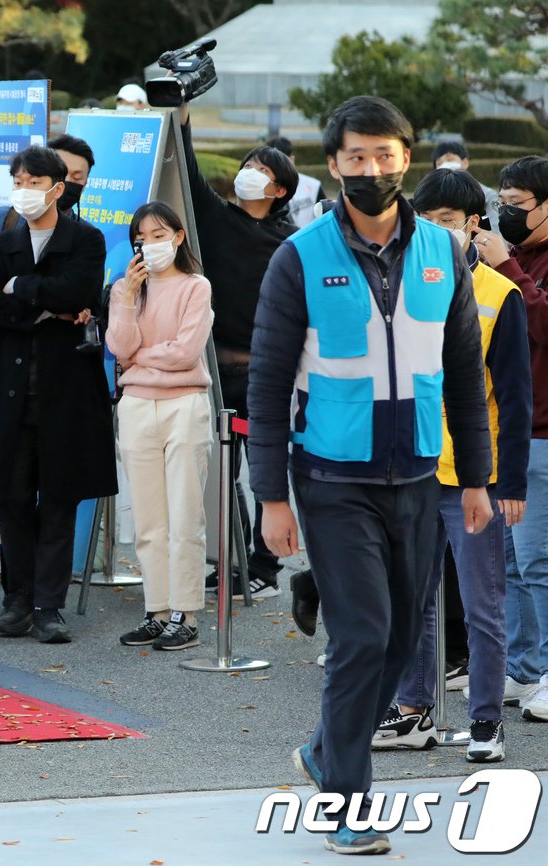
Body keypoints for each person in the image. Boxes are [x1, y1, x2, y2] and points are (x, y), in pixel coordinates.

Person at [248, 96, 492, 856]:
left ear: (406, 160)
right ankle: (347, 804)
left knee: (398, 645)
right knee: (362, 638)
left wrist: (477, 478)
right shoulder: (300, 257)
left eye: (385, 156)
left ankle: (327, 751)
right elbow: (265, 382)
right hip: (332, 479)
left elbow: (461, 375)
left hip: (420, 478)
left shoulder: (443, 255)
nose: (372, 170)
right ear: (334, 165)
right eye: (356, 157)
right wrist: (270, 497)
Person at [369, 168, 529, 761]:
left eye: (447, 222)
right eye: (427, 220)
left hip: (472, 478)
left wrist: (507, 480)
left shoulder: (498, 294)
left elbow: (515, 398)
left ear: (473, 226)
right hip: (410, 468)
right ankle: (414, 711)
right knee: (411, 599)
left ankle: (486, 720)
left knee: (484, 603)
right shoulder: (402, 285)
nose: (436, 231)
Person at [0, 144, 114, 645]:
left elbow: (78, 293)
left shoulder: (86, 239)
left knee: (58, 500)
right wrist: (40, 305)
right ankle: (18, 600)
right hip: (8, 390)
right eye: (19, 181)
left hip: (64, 389)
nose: (26, 191)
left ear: (57, 187)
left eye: (35, 182)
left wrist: (19, 289)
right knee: (9, 499)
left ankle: (50, 605)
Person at [177, 98, 299, 600]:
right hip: (214, 366)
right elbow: (186, 166)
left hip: (267, 371)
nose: (249, 173)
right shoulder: (216, 216)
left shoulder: (292, 241)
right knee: (222, 471)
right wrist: (182, 114)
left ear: (280, 189)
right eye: (248, 165)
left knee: (263, 469)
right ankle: (232, 562)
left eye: (261, 170)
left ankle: (266, 569)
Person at [108, 202, 213, 651]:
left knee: (184, 513)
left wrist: (141, 359)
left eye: (159, 234)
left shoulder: (196, 286)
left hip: (185, 403)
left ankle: (184, 614)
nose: (150, 244)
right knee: (149, 517)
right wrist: (128, 298)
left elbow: (185, 353)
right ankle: (156, 609)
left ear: (178, 236)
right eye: (143, 237)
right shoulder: (125, 290)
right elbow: (118, 346)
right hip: (135, 405)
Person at [473, 155, 548, 723]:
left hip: (543, 431)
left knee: (539, 559)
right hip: (509, 430)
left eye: (518, 206)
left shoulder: (520, 266)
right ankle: (524, 669)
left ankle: (544, 669)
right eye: (502, 204)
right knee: (512, 563)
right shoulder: (514, 258)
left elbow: (540, 323)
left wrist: (510, 272)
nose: (508, 216)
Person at [0, 135, 92, 268]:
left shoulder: (87, 237)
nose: (67, 181)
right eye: (62, 172)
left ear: (85, 183)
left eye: (77, 177)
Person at [433, 140, 498, 232]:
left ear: (465, 163)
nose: (445, 165)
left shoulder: (488, 196)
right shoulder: (433, 197)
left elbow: (496, 231)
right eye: (439, 163)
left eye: (450, 159)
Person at [268, 136, 327, 228]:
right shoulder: (263, 188)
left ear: (292, 158)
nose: (280, 165)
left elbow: (325, 219)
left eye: (284, 159)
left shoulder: (313, 186)